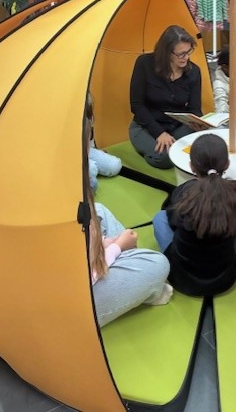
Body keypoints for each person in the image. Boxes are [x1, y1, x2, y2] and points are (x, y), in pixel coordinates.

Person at [81, 116, 172, 327]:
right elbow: (84, 270)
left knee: (99, 210)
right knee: (158, 264)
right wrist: (116, 247)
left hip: (87, 257)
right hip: (74, 297)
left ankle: (134, 276)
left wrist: (105, 243)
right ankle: (140, 284)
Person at [152, 133, 236, 297]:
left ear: (191, 166)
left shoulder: (184, 192)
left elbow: (171, 220)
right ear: (227, 164)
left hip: (181, 278)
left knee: (159, 218)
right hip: (224, 279)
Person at [129, 25, 202, 169]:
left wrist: (198, 123)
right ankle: (148, 149)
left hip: (177, 126)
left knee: (204, 145)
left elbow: (195, 109)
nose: (186, 57)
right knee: (164, 158)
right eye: (181, 54)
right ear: (167, 52)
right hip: (146, 125)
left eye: (189, 52)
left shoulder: (194, 71)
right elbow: (136, 105)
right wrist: (159, 133)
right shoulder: (144, 63)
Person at [86, 92, 122, 191]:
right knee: (92, 170)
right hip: (70, 155)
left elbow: (89, 141)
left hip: (87, 151)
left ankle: (89, 171)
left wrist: (96, 151)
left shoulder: (88, 116)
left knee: (115, 165)